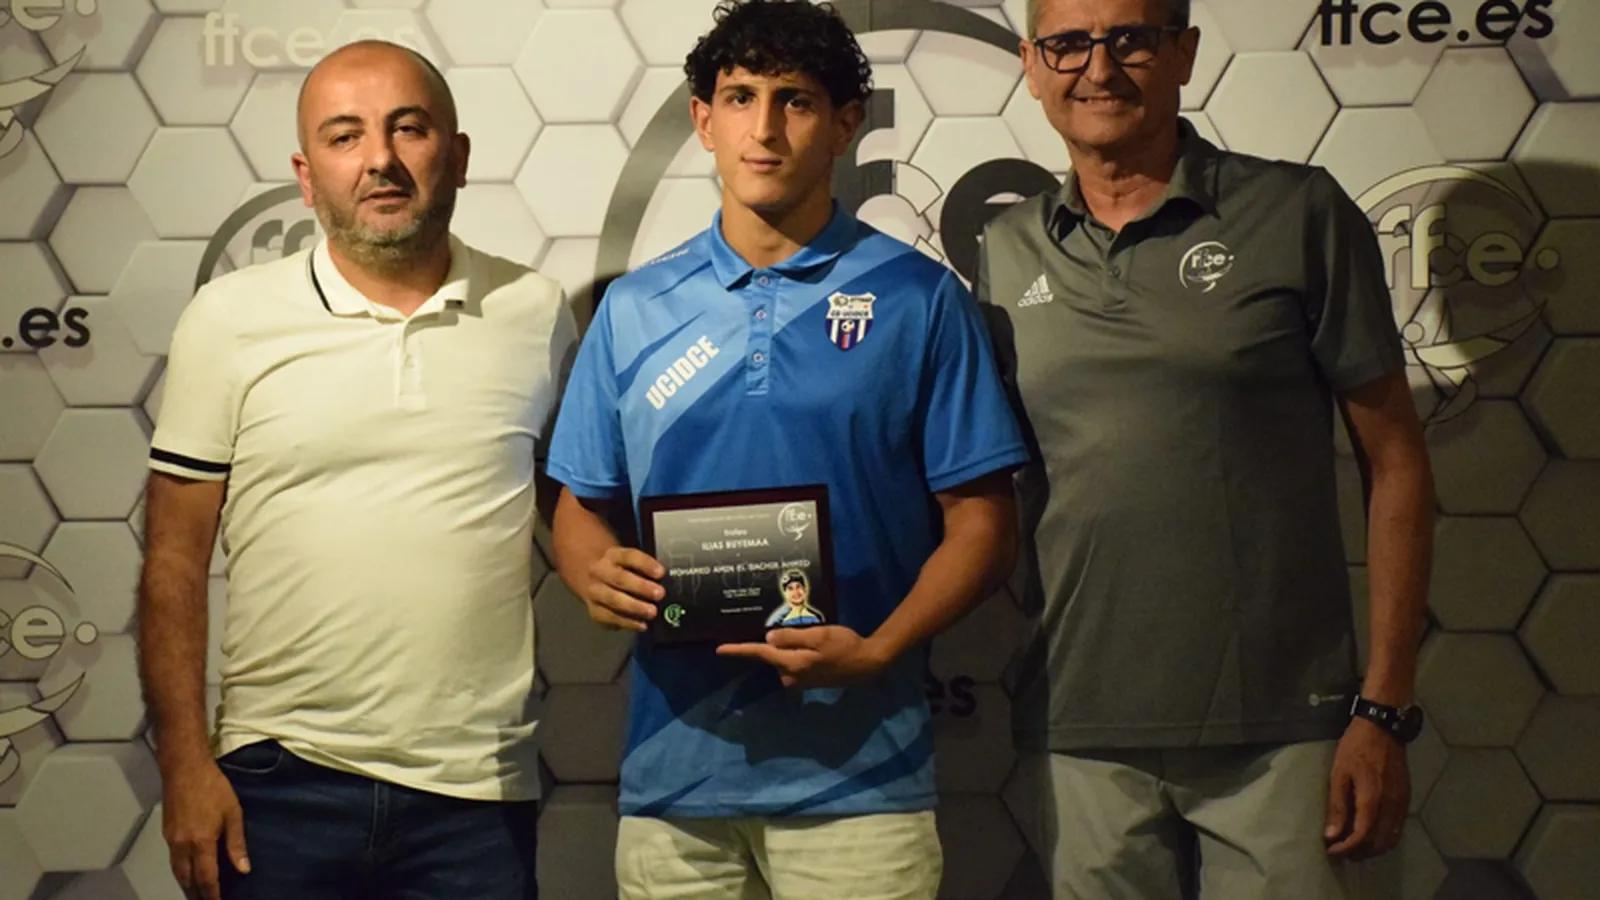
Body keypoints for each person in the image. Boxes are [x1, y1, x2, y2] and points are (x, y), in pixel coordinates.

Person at [545, 1, 1029, 897]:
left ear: (846, 125)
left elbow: (984, 525)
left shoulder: (919, 299)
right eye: (740, 97)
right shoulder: (634, 308)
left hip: (864, 783)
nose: (763, 129)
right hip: (673, 781)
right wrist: (591, 573)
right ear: (704, 120)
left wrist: (880, 650)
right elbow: (581, 507)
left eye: (795, 100)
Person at [980, 1, 1436, 898]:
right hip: (1079, 722)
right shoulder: (1006, 246)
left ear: (1184, 52)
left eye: (1130, 39)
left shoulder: (1297, 211)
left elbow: (1398, 464)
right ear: (1032, 66)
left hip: (1282, 724)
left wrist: (1383, 707)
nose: (1098, 69)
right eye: (1067, 45)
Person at [136, 39, 574, 900]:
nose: (379, 158)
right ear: (306, 177)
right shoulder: (228, 319)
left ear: (458, 155)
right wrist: (184, 764)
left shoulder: (536, 311)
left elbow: (576, 516)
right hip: (276, 786)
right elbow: (174, 561)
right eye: (345, 136)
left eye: (408, 128)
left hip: (475, 798)